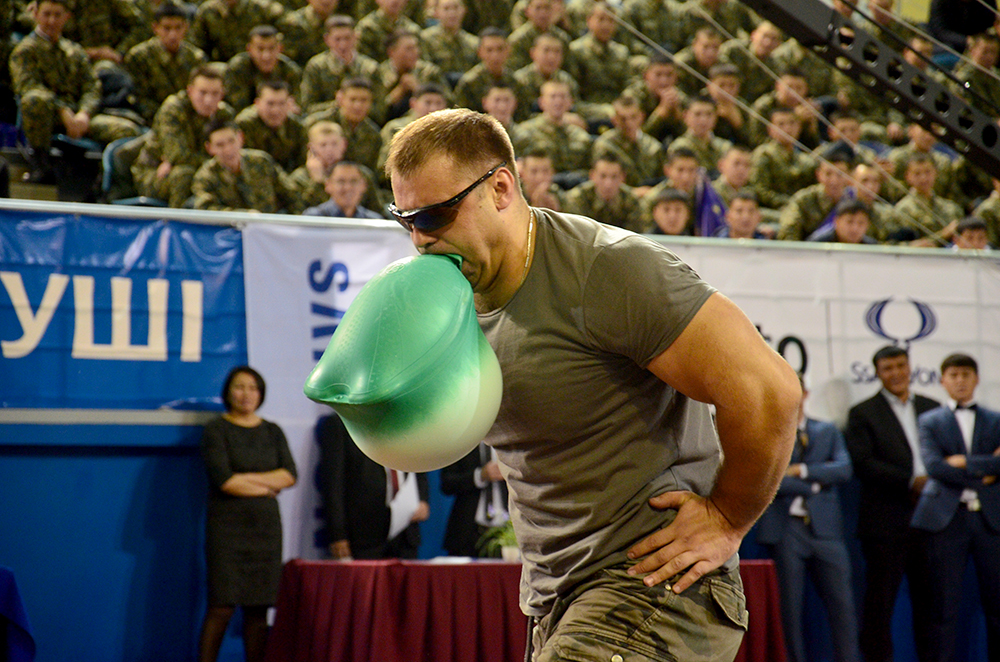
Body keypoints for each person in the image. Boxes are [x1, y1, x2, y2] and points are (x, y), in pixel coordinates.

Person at [383, 108, 800, 661]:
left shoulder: (606, 269)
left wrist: (727, 517)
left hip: (653, 584)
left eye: (435, 216)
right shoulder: (454, 296)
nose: (419, 239)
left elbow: (770, 391)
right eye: (403, 218)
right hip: (557, 598)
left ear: (500, 187)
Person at [755, 375, 860, 662]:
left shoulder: (826, 431)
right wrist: (815, 483)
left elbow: (843, 469)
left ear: (805, 393)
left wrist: (801, 472)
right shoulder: (766, 433)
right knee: (789, 610)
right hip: (786, 529)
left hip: (826, 530)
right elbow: (768, 479)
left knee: (843, 606)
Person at [845, 345, 939, 662]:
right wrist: (910, 481)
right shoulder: (862, 413)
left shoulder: (933, 407)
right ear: (877, 372)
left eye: (901, 365)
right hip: (885, 524)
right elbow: (863, 463)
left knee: (931, 604)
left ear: (910, 367)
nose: (896, 373)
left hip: (933, 521)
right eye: (888, 368)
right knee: (880, 605)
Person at [199, 365, 297, 662]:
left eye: (253, 388)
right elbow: (226, 481)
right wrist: (268, 485)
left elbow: (290, 475)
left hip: (265, 531)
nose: (246, 394)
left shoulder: (272, 430)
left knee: (258, 609)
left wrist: (249, 479)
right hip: (227, 531)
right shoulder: (216, 430)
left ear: (261, 393)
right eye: (240, 387)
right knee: (221, 606)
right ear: (228, 392)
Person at [911, 353, 1000, 662]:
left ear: (976, 379)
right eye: (954, 375)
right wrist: (985, 469)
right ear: (942, 380)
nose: (960, 380)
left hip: (990, 520)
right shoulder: (929, 420)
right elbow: (935, 467)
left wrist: (965, 462)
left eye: (966, 374)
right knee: (942, 607)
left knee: (997, 604)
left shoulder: (995, 419)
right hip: (945, 521)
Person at [9, 0, 142, 183]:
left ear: (67, 17)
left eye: (57, 15)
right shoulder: (24, 51)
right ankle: (41, 166)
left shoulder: (75, 52)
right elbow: (28, 86)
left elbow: (91, 87)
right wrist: (63, 111)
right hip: (49, 117)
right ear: (36, 15)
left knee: (128, 130)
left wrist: (84, 114)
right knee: (34, 99)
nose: (51, 21)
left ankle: (105, 184)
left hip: (80, 117)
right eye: (47, 14)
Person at [316, 414, 430, 559]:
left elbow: (418, 462)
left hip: (405, 534)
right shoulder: (343, 423)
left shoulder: (406, 419)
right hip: (363, 536)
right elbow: (333, 484)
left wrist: (422, 499)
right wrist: (338, 534)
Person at [132, 63, 234, 207]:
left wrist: (221, 162)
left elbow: (234, 152)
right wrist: (218, 162)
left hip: (199, 169)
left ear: (222, 94)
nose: (208, 100)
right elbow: (178, 156)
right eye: (203, 93)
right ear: (190, 91)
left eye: (215, 94)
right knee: (184, 175)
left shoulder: (224, 114)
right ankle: (177, 225)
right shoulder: (173, 109)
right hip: (154, 173)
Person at [123, 1, 207, 124]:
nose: (173, 34)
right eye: (166, 28)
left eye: (178, 28)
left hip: (189, 119)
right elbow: (138, 98)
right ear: (155, 28)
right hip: (150, 120)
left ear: (186, 27)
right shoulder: (138, 57)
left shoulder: (196, 58)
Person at [191, 119, 295, 213]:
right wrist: (242, 216)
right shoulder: (205, 177)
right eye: (220, 145)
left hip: (270, 226)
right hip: (232, 230)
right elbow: (205, 209)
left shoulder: (261, 162)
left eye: (232, 141)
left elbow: (290, 194)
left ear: (241, 138)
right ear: (209, 148)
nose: (228, 149)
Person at [440, 442, 510, 557]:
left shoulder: (509, 442)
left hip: (507, 532)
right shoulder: (462, 442)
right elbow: (447, 483)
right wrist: (480, 475)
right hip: (468, 532)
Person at [223, 24, 302, 114]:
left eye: (271, 49)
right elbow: (237, 108)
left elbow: (298, 106)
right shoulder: (237, 69)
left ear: (280, 49)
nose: (266, 56)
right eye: (260, 49)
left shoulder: (290, 71)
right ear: (249, 49)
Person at [563, 155, 641, 231]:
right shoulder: (578, 198)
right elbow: (576, 233)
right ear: (592, 176)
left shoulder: (631, 200)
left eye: (614, 176)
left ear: (622, 177)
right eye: (603, 176)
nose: (608, 184)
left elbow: (634, 235)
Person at [303, 161, 384, 218]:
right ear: (328, 185)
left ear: (364, 185)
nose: (348, 188)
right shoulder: (314, 218)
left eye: (354, 181)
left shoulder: (373, 222)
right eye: (341, 181)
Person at [806, 198, 878, 244]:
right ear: (836, 222)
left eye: (861, 223)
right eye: (849, 222)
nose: (855, 228)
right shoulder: (816, 244)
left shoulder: (872, 247)